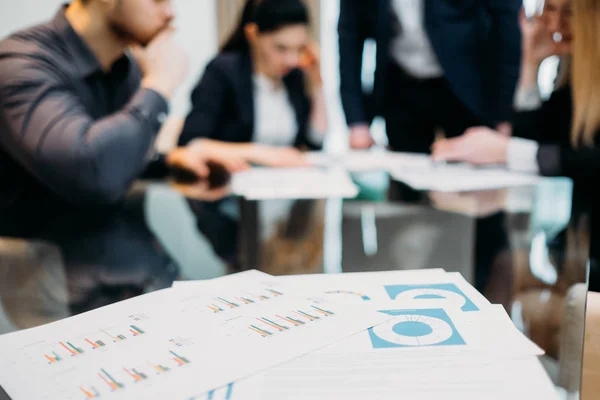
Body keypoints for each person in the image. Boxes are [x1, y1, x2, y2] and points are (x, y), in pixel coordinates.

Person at [0, 0, 252, 238]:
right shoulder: (22, 63)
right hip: (34, 266)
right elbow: (91, 173)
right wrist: (159, 85)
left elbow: (115, 156)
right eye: (157, 0)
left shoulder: (125, 67)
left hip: (105, 250)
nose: (170, 12)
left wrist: (170, 160)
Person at [432, 0, 600, 289]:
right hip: (575, 242)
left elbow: (588, 159)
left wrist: (505, 151)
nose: (555, 25)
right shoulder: (575, 73)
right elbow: (540, 134)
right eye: (550, 10)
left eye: (568, 12)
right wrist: (529, 65)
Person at [338, 0, 522, 152]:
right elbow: (350, 33)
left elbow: (507, 25)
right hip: (401, 86)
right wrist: (357, 120)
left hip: (466, 87)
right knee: (405, 183)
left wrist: (503, 114)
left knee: (473, 176)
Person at [178, 0, 327, 160]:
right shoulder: (223, 72)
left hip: (285, 180)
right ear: (253, 34)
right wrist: (262, 154)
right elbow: (190, 144)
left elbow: (314, 142)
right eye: (281, 48)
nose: (291, 60)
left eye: (299, 48)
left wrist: (317, 82)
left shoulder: (293, 76)